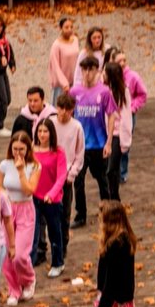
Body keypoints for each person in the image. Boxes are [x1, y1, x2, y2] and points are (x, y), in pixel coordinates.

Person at [69, 57, 114, 222]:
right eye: (84, 70)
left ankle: (108, 213)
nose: (87, 73)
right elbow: (69, 115)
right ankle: (81, 215)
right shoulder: (75, 92)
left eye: (91, 70)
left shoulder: (104, 92)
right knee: (78, 180)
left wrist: (109, 142)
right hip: (81, 145)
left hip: (99, 143)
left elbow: (111, 116)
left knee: (102, 179)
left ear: (97, 71)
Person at [0, 132, 39, 305]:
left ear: (28, 149)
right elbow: (0, 189)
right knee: (7, 254)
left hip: (25, 210)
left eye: (21, 149)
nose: (17, 153)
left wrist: (21, 170)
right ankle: (14, 289)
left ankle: (29, 280)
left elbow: (29, 190)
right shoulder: (4, 165)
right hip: (8, 210)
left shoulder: (35, 166)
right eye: (15, 149)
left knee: (20, 255)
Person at [31, 118, 68, 278]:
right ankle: (30, 262)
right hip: (33, 197)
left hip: (52, 200)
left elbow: (61, 177)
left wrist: (51, 194)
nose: (42, 134)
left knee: (55, 231)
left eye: (45, 131)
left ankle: (58, 262)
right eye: (39, 131)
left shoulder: (58, 152)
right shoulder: (32, 150)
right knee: (33, 233)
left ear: (51, 133)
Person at [52, 94, 84, 255]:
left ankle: (63, 246)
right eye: (61, 108)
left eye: (68, 109)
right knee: (48, 215)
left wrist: (71, 175)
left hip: (66, 177)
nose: (63, 112)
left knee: (65, 214)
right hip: (49, 176)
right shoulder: (50, 124)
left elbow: (79, 154)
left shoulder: (77, 127)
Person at [102, 60, 132, 201]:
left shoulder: (123, 91)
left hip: (117, 135)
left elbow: (126, 117)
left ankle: (115, 200)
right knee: (107, 170)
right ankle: (111, 198)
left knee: (111, 170)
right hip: (106, 134)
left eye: (105, 72)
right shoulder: (104, 90)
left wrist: (125, 140)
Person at [117, 50, 148, 182]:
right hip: (115, 115)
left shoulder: (133, 77)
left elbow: (143, 94)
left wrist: (132, 108)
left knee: (125, 143)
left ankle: (122, 173)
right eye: (119, 61)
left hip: (128, 116)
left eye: (124, 60)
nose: (123, 63)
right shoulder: (110, 76)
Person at [49, 17, 79, 100]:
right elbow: (55, 67)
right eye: (66, 27)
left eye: (71, 27)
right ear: (60, 28)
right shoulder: (56, 45)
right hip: (62, 85)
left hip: (74, 81)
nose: (69, 29)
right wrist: (64, 83)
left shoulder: (75, 40)